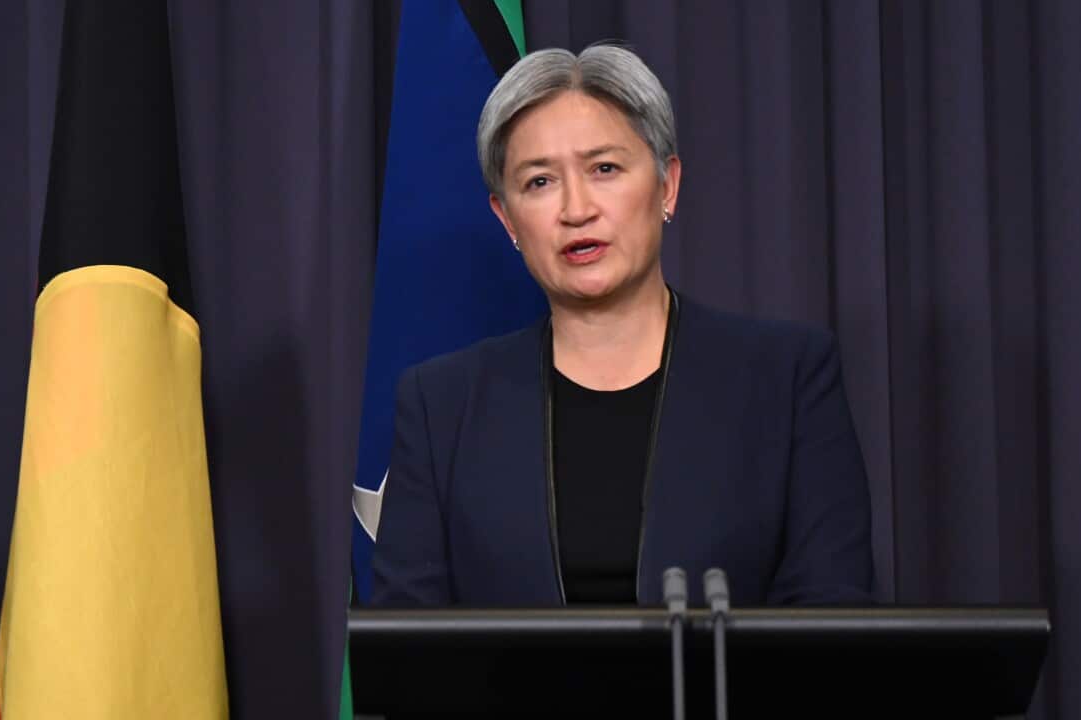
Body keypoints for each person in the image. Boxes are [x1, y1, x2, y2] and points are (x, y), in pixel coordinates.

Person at [371, 44, 872, 607]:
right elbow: (407, 651)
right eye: (540, 182)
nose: (576, 208)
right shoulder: (442, 407)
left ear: (667, 186)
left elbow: (833, 617)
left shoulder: (787, 379)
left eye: (604, 169)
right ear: (506, 219)